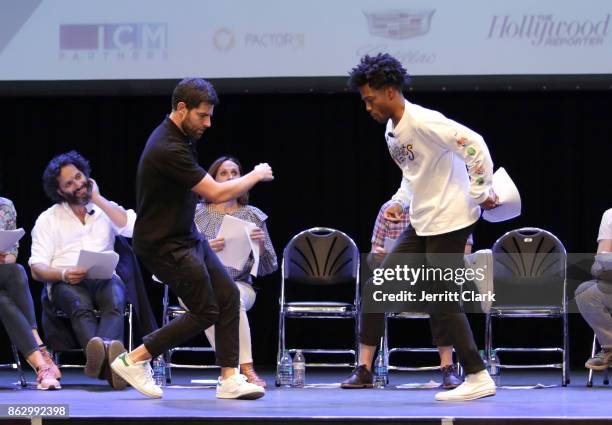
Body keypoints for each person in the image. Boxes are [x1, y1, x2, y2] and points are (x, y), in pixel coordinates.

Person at [343, 53, 500, 401]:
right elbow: (413, 174)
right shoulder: (392, 130)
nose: (367, 107)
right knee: (379, 283)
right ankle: (366, 370)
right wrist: (401, 200)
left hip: (452, 217)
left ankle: (476, 375)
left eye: (370, 100)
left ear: (390, 91)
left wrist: (479, 191)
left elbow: (474, 144)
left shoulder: (424, 121)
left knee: (441, 296)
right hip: (423, 219)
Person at [111, 78, 274, 400]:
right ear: (181, 108)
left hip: (186, 235)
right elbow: (213, 192)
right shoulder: (167, 147)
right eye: (203, 115)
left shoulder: (182, 137)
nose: (208, 123)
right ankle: (134, 359)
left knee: (227, 295)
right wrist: (254, 175)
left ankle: (230, 378)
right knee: (205, 310)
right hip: (162, 243)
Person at [29, 151, 135, 390]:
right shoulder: (49, 219)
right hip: (66, 281)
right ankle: (114, 369)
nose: (77, 184)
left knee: (116, 299)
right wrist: (63, 274)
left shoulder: (105, 209)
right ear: (60, 191)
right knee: (79, 305)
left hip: (105, 278)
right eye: (69, 183)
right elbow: (37, 267)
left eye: (78, 177)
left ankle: (105, 366)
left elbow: (132, 227)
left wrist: (98, 199)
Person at [357, 200, 474, 390]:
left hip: (431, 278)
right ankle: (364, 369)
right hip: (399, 283)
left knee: (440, 286)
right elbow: (371, 259)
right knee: (373, 286)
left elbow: (466, 254)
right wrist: (378, 257)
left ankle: (448, 368)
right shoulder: (391, 210)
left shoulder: (449, 209)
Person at [191, 155, 278, 387]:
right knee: (210, 299)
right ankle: (237, 369)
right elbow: (179, 256)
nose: (230, 178)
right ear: (213, 180)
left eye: (234, 173)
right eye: (223, 173)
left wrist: (259, 247)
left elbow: (270, 267)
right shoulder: (195, 214)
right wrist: (204, 248)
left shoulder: (252, 215)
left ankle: (240, 368)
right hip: (197, 284)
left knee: (229, 296)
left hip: (240, 284)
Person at [0, 197, 61, 390]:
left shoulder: (4, 206)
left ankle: (41, 364)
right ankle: (41, 354)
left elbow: (11, 255)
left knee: (16, 271)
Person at [575, 208, 612, 370]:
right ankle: (610, 348)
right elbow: (602, 256)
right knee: (585, 291)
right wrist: (602, 267)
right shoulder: (610, 215)